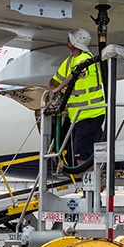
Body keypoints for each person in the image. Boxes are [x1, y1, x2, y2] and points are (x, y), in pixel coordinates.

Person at [48, 28, 106, 167]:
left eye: (71, 38)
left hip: (90, 113)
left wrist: (58, 89)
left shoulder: (86, 59)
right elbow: (55, 79)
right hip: (78, 117)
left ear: (75, 42)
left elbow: (74, 74)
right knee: (82, 152)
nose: (68, 40)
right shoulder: (69, 60)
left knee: (82, 154)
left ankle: (90, 185)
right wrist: (52, 88)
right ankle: (90, 184)